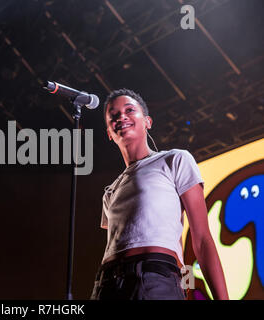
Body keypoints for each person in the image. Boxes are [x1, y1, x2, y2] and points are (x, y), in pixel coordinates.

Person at [90, 88, 229, 300]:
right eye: (114, 115)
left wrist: (191, 288)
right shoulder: (111, 191)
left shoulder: (174, 160)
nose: (122, 117)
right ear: (109, 133)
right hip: (106, 285)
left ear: (147, 122)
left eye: (129, 110)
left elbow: (200, 239)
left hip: (154, 277)